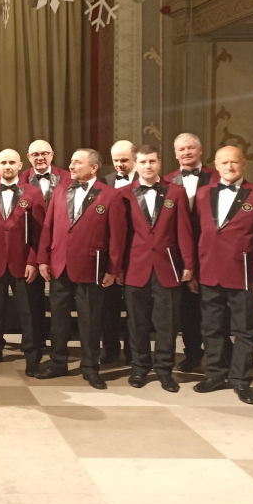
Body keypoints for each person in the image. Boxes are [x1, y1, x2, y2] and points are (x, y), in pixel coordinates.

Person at [193, 146, 253, 405]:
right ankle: (215, 374)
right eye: (224, 162)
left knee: (245, 330)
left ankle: (241, 380)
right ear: (216, 165)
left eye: (234, 162)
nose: (229, 167)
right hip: (209, 272)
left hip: (244, 273)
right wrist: (193, 270)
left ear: (244, 164)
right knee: (212, 328)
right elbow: (197, 235)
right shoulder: (202, 194)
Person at [109, 145, 195, 392]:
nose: (148, 166)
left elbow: (184, 231)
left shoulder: (176, 192)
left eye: (152, 161)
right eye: (143, 162)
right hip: (135, 267)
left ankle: (165, 370)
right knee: (137, 323)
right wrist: (117, 268)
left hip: (168, 267)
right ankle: (139, 368)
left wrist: (188, 263)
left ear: (159, 163)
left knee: (167, 323)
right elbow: (119, 236)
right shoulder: (123, 194)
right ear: (135, 165)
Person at [36, 148, 124, 389]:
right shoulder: (60, 190)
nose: (71, 166)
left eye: (77, 162)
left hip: (91, 267)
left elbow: (117, 237)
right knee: (59, 319)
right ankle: (58, 363)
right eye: (71, 161)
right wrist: (43, 259)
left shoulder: (110, 195)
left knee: (90, 320)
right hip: (60, 264)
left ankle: (90, 367)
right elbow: (48, 226)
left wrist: (113, 269)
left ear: (94, 168)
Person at [0, 149, 46, 373]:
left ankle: (32, 356)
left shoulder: (34, 193)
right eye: (3, 162)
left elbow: (39, 232)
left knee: (28, 313)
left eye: (12, 162)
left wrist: (33, 262)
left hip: (24, 263)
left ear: (20, 166)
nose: (7, 166)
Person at [165, 132, 218, 372]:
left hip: (212, 250)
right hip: (179, 253)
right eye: (181, 149)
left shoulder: (218, 177)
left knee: (214, 308)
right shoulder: (166, 181)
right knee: (187, 308)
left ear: (200, 150)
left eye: (191, 148)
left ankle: (219, 357)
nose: (186, 152)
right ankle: (193, 354)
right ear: (175, 154)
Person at [21, 139, 71, 353]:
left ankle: (59, 345)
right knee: (32, 299)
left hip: (62, 246)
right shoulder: (20, 179)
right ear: (28, 157)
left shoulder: (68, 177)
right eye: (35, 154)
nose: (40, 158)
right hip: (31, 247)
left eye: (44, 153)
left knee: (61, 300)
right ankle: (36, 343)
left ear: (52, 155)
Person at [100, 139, 137, 365]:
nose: (120, 164)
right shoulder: (105, 181)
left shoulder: (147, 181)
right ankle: (110, 349)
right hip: (111, 253)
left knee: (135, 308)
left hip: (136, 251)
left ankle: (133, 352)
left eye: (124, 160)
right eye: (115, 160)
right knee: (108, 306)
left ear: (135, 159)